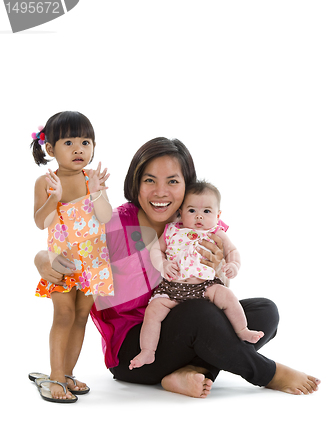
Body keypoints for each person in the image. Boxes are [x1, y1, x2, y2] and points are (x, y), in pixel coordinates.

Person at [34, 137, 321, 397]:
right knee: (200, 314)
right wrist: (42, 259)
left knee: (263, 311)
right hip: (135, 352)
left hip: (188, 325)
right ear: (135, 183)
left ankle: (192, 373)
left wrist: (221, 270)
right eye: (149, 180)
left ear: (187, 185)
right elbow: (69, 241)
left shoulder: (199, 224)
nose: (161, 192)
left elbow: (216, 290)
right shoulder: (114, 223)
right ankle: (268, 373)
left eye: (172, 181)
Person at [129, 180, 264, 370]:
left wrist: (233, 264)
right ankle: (148, 351)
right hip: (172, 288)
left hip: (205, 287)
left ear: (218, 215)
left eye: (207, 211)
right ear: (181, 212)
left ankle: (242, 330)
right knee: (153, 312)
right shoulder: (172, 230)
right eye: (192, 211)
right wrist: (163, 264)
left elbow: (232, 251)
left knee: (227, 296)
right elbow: (156, 251)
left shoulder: (216, 232)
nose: (199, 216)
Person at [32, 111, 113, 403]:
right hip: (63, 261)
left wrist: (99, 193)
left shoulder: (92, 179)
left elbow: (104, 217)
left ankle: (67, 373)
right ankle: (54, 376)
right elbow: (42, 221)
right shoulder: (47, 181)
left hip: (93, 262)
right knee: (63, 314)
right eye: (69, 142)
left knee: (81, 317)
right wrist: (54, 198)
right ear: (51, 149)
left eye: (86, 141)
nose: (79, 148)